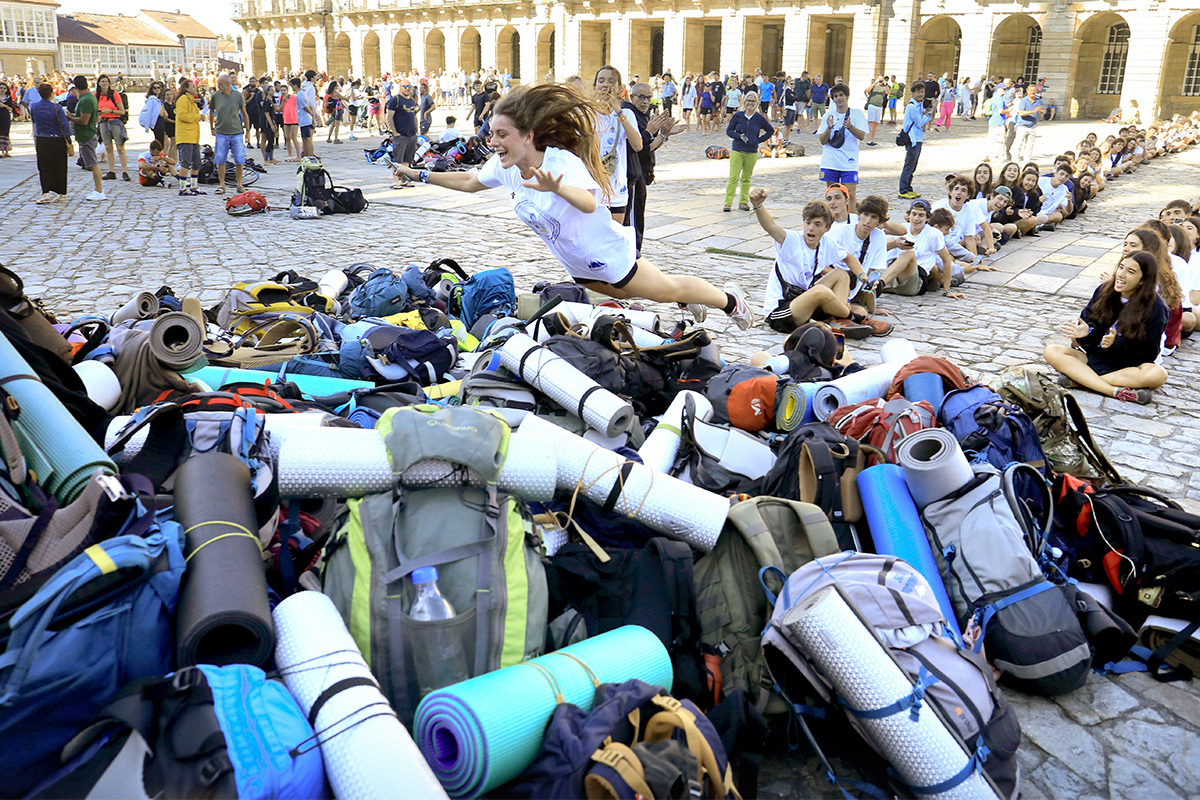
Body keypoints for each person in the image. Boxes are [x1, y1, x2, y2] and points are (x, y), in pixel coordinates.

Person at [390, 83, 754, 328]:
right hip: (578, 262)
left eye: (502, 134)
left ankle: (729, 300)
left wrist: (557, 187)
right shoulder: (506, 168)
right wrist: (418, 175)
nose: (493, 141)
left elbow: (587, 201)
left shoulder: (560, 163)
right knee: (632, 293)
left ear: (527, 136)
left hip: (605, 253)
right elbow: (468, 183)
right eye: (492, 134)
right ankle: (690, 300)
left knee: (666, 289)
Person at [751, 193, 884, 338]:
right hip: (781, 311)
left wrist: (863, 277)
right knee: (821, 291)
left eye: (817, 224)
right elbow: (770, 227)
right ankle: (854, 318)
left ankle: (839, 321)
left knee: (841, 274)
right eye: (808, 223)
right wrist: (758, 206)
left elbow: (849, 258)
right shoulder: (790, 240)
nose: (811, 228)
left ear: (827, 228)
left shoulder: (826, 243)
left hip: (804, 299)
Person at [1044, 251, 1168, 404]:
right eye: (1121, 267)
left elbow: (1149, 353)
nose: (1121, 274)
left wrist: (1117, 343)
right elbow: (1089, 326)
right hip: (1095, 360)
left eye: (1130, 272)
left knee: (1158, 374)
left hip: (1127, 368)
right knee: (1052, 350)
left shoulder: (1156, 308)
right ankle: (1114, 391)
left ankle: (1081, 380)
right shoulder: (1104, 291)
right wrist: (1087, 332)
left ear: (1143, 280)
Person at [624, 82, 673, 252]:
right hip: (631, 178)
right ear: (631, 97)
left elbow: (649, 145)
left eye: (649, 98)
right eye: (641, 97)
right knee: (631, 222)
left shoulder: (644, 115)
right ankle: (632, 256)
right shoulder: (629, 114)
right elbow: (641, 148)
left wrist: (662, 134)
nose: (645, 101)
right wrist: (658, 134)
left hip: (641, 176)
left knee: (638, 219)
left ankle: (635, 255)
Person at [594, 65, 642, 223]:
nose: (606, 85)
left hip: (616, 190)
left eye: (611, 81)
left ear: (619, 88)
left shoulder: (627, 114)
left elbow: (637, 145)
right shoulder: (587, 114)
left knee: (614, 238)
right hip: (591, 189)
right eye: (601, 81)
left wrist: (618, 111)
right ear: (595, 87)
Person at [816, 84, 867, 212]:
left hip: (849, 160)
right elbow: (822, 141)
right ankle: (834, 221)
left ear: (847, 97)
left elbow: (861, 136)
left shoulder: (857, 114)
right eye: (836, 96)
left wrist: (850, 127)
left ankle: (852, 222)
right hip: (831, 160)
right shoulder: (828, 116)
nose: (839, 98)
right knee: (832, 194)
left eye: (841, 95)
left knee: (850, 194)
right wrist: (829, 128)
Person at [723, 91, 773, 212]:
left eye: (753, 101)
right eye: (748, 101)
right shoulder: (738, 116)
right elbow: (729, 131)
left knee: (746, 178)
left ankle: (743, 202)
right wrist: (738, 136)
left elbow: (770, 130)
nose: (750, 103)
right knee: (733, 177)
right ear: (745, 102)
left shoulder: (759, 118)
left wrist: (758, 140)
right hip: (737, 150)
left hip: (751, 152)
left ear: (757, 103)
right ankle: (728, 203)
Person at [65, 75, 104, 201]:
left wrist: (70, 118)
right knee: (91, 164)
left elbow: (83, 120)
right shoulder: (87, 98)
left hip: (87, 135)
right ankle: (97, 189)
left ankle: (99, 191)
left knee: (93, 164)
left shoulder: (86, 100)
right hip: (85, 135)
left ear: (76, 87)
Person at [30, 82, 71, 203]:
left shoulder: (34, 106)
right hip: (57, 139)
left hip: (42, 138)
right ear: (51, 94)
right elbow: (64, 124)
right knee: (60, 166)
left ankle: (46, 193)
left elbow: (34, 120)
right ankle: (62, 194)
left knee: (44, 166)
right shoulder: (56, 107)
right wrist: (68, 140)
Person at [210, 74, 247, 195]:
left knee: (239, 158)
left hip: (236, 131)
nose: (219, 87)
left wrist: (247, 128)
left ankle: (239, 184)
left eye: (220, 84)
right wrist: (212, 127)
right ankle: (222, 184)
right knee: (220, 158)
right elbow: (211, 111)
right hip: (221, 131)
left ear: (227, 84)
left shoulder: (237, 96)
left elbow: (244, 112)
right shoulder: (216, 96)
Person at [898, 83, 932, 200]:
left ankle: (908, 188)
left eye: (922, 92)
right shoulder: (912, 107)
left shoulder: (919, 105)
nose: (921, 94)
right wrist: (928, 115)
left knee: (913, 165)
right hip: (912, 139)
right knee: (909, 164)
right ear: (912, 94)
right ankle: (903, 189)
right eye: (918, 92)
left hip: (918, 138)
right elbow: (919, 122)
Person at [95, 74, 130, 182]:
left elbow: (122, 111)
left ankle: (124, 171)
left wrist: (110, 111)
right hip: (103, 122)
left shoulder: (114, 95)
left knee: (120, 147)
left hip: (115, 121)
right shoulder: (96, 95)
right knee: (108, 148)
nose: (104, 83)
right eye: (102, 81)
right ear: (99, 83)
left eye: (106, 81)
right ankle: (111, 171)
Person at [174, 78, 205, 196]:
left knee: (197, 162)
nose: (195, 88)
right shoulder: (183, 99)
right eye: (192, 86)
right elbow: (182, 116)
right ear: (186, 88)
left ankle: (194, 186)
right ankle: (182, 187)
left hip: (193, 136)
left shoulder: (191, 100)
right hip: (185, 136)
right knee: (185, 162)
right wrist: (198, 117)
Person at [387, 79, 419, 187]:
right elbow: (390, 117)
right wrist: (395, 132)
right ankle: (395, 181)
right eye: (405, 87)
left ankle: (404, 179)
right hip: (401, 134)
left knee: (407, 159)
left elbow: (414, 116)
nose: (407, 89)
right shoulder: (395, 100)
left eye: (409, 87)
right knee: (398, 159)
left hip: (411, 134)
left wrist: (417, 131)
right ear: (400, 87)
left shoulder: (412, 100)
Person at [1012, 84, 1043, 163]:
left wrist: (1042, 111)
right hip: (1022, 126)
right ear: (1027, 91)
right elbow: (1021, 113)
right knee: (1018, 144)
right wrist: (1034, 111)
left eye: (1034, 90)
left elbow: (1042, 111)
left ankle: (1027, 161)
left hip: (1032, 125)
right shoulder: (1023, 100)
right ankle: (1015, 160)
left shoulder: (1039, 101)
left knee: (1030, 145)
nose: (1033, 92)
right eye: (1031, 91)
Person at [297, 70, 319, 157]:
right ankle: (310, 154)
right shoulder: (311, 88)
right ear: (313, 77)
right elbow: (311, 102)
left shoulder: (302, 86)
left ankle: (305, 152)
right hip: (309, 112)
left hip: (301, 112)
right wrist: (315, 114)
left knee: (305, 137)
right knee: (309, 137)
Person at [864, 77, 888, 146]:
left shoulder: (884, 87)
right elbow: (867, 90)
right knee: (871, 122)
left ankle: (873, 139)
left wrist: (885, 84)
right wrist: (875, 82)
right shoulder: (874, 86)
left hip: (879, 106)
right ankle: (869, 139)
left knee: (876, 123)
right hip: (872, 105)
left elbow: (888, 92)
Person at [282, 79, 300, 161]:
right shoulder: (281, 98)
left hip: (294, 119)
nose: (283, 92)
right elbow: (280, 109)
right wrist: (283, 101)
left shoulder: (294, 97)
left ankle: (298, 154)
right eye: (281, 90)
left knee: (294, 137)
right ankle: (290, 155)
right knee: (287, 137)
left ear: (287, 90)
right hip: (286, 119)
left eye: (284, 90)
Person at [0, 80, 13, 157]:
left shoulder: (8, 98)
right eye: (1, 88)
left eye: (4, 88)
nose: (2, 89)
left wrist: (3, 105)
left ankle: (6, 150)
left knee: (6, 132)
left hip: (5, 116)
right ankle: (1, 150)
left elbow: (10, 108)